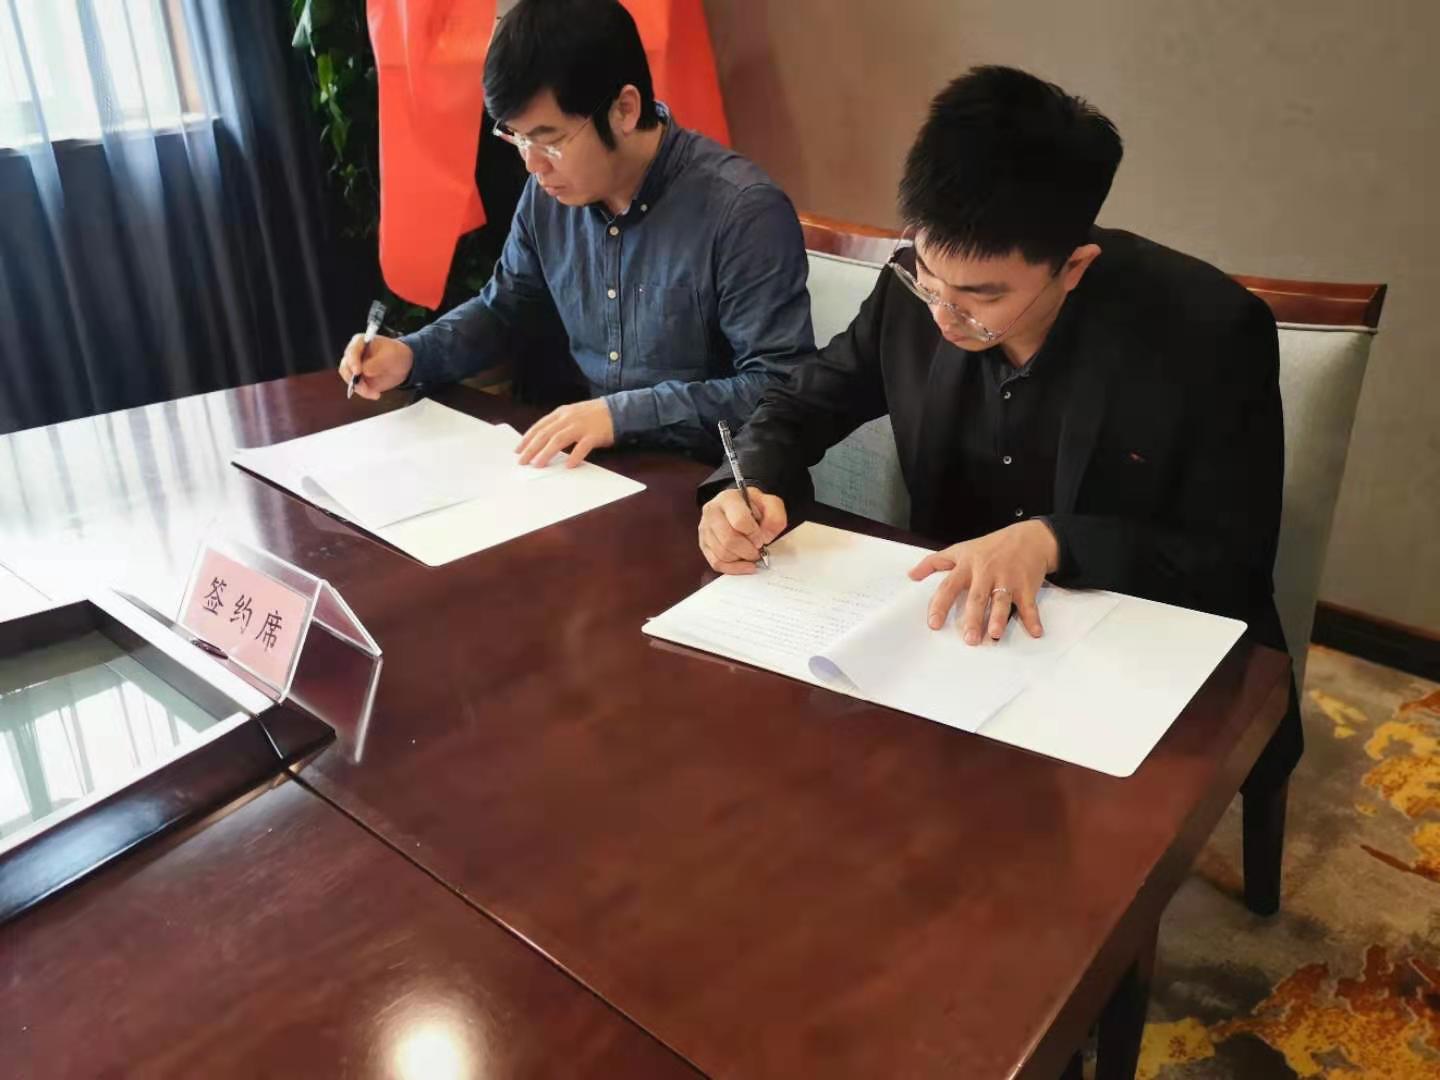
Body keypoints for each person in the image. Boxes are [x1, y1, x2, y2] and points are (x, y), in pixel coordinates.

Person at [696, 65, 1300, 791]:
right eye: (930, 278)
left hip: (1133, 653)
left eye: (980, 298)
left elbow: (1232, 563)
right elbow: (801, 403)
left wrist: (1054, 541)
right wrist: (747, 482)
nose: (944, 315)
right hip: (955, 642)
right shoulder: (913, 292)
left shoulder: (1209, 334)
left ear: (1073, 267)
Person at [338, 0, 813, 466]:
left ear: (624, 110)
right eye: (517, 138)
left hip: (725, 489)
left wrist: (622, 415)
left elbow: (778, 387)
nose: (532, 164)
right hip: (599, 474)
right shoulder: (547, 196)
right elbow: (504, 310)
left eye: (549, 141)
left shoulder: (741, 211)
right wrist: (411, 355)